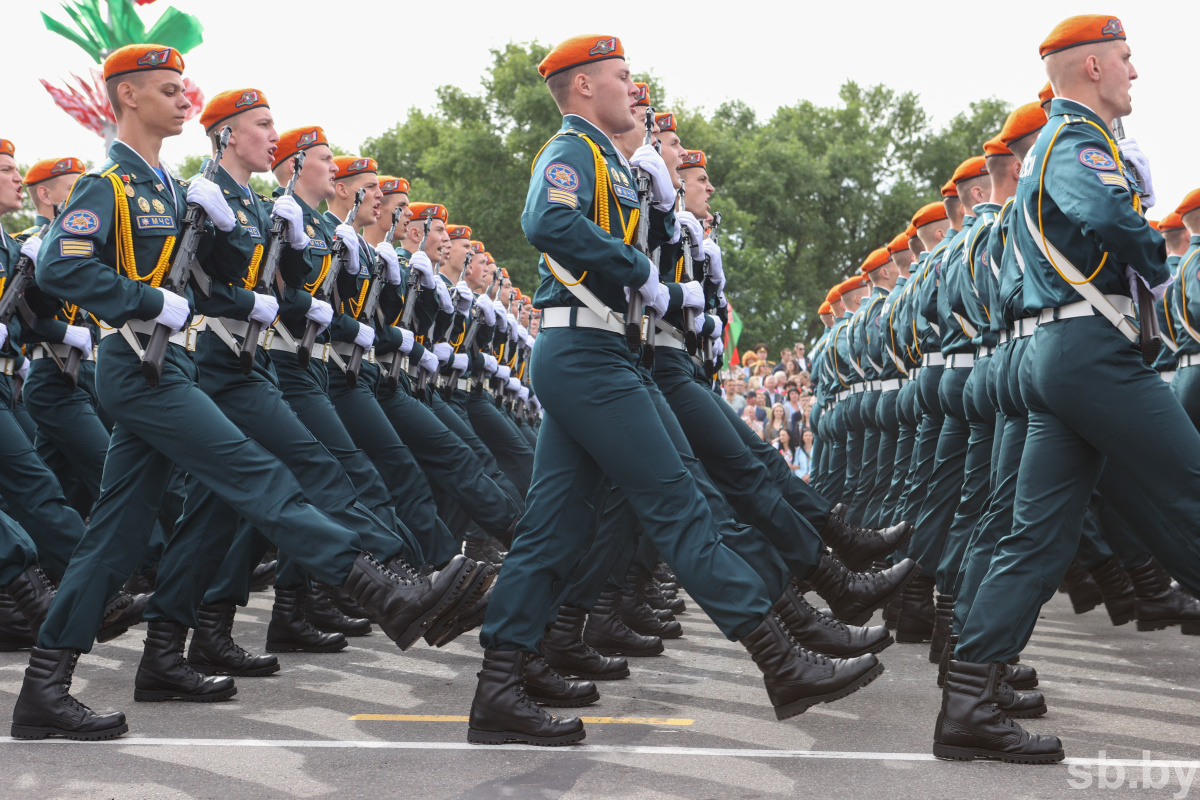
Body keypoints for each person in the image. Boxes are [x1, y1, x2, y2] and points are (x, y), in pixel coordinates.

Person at [11, 47, 470, 742]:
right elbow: (59, 265)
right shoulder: (107, 186)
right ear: (127, 97)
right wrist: (142, 300)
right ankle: (381, 592)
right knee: (257, 474)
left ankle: (63, 684)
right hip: (139, 367)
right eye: (167, 90)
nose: (183, 100)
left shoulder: (168, 188)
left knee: (117, 535)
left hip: (175, 365)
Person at [469, 35, 887, 748]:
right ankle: (779, 660)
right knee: (679, 503)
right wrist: (633, 263)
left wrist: (658, 219)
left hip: (603, 351)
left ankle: (501, 685)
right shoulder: (569, 149)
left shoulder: (609, 161)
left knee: (553, 530)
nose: (635, 90)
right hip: (587, 352)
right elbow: (546, 221)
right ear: (581, 89)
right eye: (622, 78)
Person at [940, 15, 1200, 764]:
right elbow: (1111, 218)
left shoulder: (1060, 141)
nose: (1134, 72)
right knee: (1189, 487)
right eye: (1125, 58)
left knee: (1037, 538)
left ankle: (968, 702)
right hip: (1092, 352)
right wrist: (1157, 250)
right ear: (1091, 67)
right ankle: (969, 698)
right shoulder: (1079, 140)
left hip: (1066, 352)